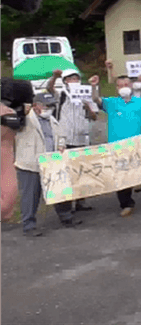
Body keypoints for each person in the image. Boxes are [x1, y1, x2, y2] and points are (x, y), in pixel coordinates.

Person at [90, 74, 141, 217]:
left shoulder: (140, 102)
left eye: (126, 84)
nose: (123, 88)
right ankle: (126, 204)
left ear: (131, 86)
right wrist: (94, 86)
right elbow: (95, 99)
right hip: (118, 145)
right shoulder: (111, 102)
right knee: (122, 176)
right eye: (120, 85)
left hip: (138, 144)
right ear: (116, 88)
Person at [14, 92, 81, 236]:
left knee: (61, 191)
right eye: (45, 105)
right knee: (31, 195)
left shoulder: (52, 119)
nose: (48, 108)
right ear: (35, 105)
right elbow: (15, 121)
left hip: (52, 161)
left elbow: (61, 135)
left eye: (51, 105)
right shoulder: (26, 118)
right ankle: (29, 225)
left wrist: (61, 145)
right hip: (31, 163)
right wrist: (21, 111)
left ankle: (66, 218)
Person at [47, 68, 98, 212]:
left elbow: (94, 117)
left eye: (75, 78)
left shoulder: (85, 95)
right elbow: (49, 89)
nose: (73, 81)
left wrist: (88, 108)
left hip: (82, 139)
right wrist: (55, 76)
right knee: (67, 172)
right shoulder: (61, 95)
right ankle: (67, 204)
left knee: (82, 171)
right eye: (70, 79)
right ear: (65, 82)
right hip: (66, 138)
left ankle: (81, 201)